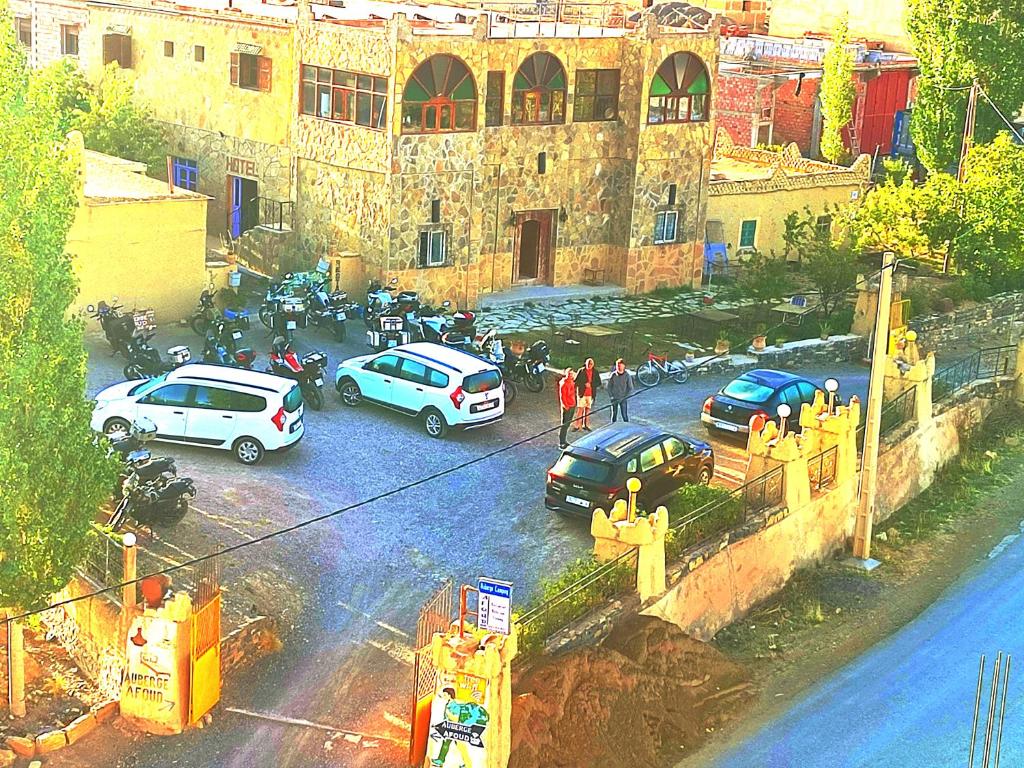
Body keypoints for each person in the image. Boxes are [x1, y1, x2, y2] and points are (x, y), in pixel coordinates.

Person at [573, 357, 597, 432]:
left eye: (591, 364)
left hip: (590, 394)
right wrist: (584, 384)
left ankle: (585, 425)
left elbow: (598, 382)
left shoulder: (595, 372)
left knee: (587, 410)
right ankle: (577, 425)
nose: (589, 365)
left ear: (593, 365)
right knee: (580, 410)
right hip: (582, 393)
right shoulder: (581, 371)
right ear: (585, 364)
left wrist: (591, 384)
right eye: (588, 364)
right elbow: (576, 382)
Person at [606, 358, 634, 423]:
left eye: (620, 366)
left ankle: (626, 427)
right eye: (617, 366)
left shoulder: (627, 376)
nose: (618, 367)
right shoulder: (613, 375)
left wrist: (626, 397)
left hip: (623, 399)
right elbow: (609, 387)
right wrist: (611, 396)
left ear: (624, 366)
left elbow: (630, 388)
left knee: (624, 415)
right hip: (614, 398)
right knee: (614, 415)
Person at [558, 368, 577, 449]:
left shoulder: (572, 381)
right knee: (564, 424)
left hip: (572, 404)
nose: (571, 375)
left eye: (572, 374)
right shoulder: (564, 383)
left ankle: (564, 441)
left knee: (568, 424)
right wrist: (566, 406)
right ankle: (561, 442)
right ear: (566, 374)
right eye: (569, 373)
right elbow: (562, 396)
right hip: (567, 406)